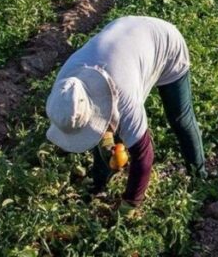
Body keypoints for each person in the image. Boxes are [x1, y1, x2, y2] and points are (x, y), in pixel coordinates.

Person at [45, 16, 205, 214]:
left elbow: (144, 156)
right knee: (105, 131)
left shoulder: (124, 99)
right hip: (125, 39)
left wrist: (130, 203)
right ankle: (99, 182)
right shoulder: (66, 87)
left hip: (165, 43)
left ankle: (199, 176)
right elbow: (89, 119)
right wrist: (104, 143)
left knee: (180, 118)